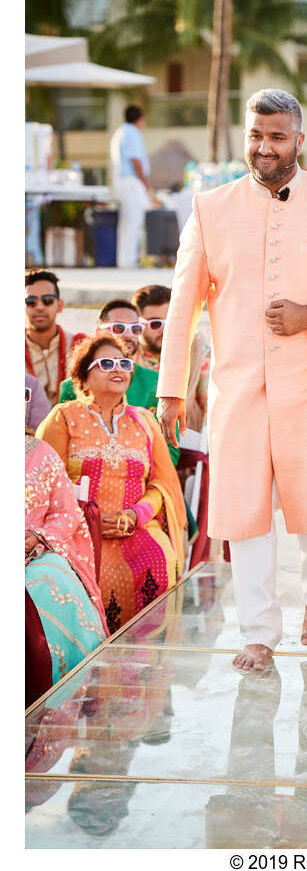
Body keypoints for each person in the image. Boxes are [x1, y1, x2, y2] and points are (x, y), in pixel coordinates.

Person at [156, 87, 307, 673]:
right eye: (255, 136)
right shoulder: (210, 208)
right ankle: (258, 633)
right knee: (246, 511)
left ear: (299, 140)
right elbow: (183, 306)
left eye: (277, 137)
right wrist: (170, 390)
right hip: (238, 389)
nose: (264, 148)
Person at [36, 333, 187, 635]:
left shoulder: (144, 421)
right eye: (106, 363)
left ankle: (143, 669)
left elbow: (162, 484)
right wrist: (87, 518)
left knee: (159, 560)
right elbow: (46, 480)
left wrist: (135, 516)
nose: (118, 369)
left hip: (137, 529)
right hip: (77, 531)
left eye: (124, 363)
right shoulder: (64, 417)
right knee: (84, 574)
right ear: (83, 376)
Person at [26, 394, 109, 701]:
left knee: (53, 580)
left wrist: (37, 537)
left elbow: (66, 512)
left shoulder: (41, 453)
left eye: (22, 395)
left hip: (34, 554)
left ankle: (63, 697)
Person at [58, 299, 159, 412]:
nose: (128, 335)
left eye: (135, 329)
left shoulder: (155, 381)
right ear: (98, 332)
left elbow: (167, 429)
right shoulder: (71, 387)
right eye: (118, 328)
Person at [133, 284, 210, 432]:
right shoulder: (125, 355)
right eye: (155, 324)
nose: (166, 330)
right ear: (138, 325)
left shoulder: (198, 351)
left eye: (171, 322)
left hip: (187, 438)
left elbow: (211, 403)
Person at [25, 269, 84, 408]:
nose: (39, 307)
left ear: (60, 305)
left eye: (47, 300)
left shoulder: (80, 347)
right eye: (31, 301)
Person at [109, 105, 155, 268]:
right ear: (140, 119)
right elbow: (135, 160)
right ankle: (129, 260)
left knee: (126, 221)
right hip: (132, 181)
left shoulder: (120, 132)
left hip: (122, 180)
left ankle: (125, 259)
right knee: (133, 220)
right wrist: (146, 183)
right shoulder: (132, 133)